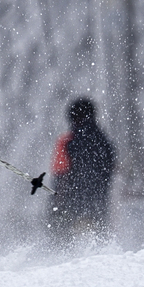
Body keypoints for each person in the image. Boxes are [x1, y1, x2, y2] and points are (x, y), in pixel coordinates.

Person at [47, 97, 116, 243]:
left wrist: (55, 207)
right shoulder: (105, 143)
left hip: (71, 208)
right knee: (97, 246)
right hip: (98, 207)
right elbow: (110, 174)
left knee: (68, 249)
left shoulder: (66, 142)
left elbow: (60, 175)